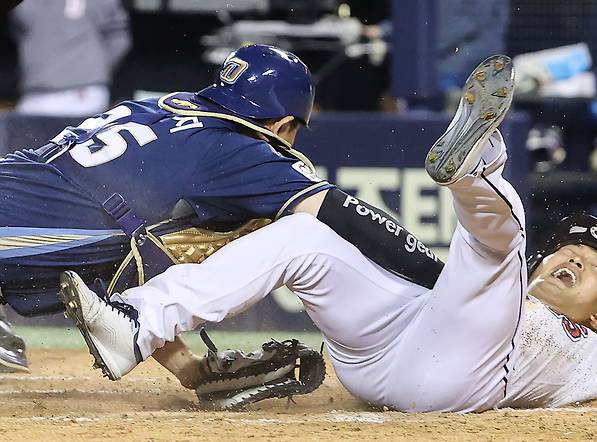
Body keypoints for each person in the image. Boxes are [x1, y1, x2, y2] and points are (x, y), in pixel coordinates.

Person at [62, 54, 597, 412]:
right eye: (568, 252)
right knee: (304, 239)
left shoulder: (594, 352)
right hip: (379, 355)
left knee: (505, 237)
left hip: (468, 373)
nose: (570, 261)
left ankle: (476, 166)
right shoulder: (506, 291)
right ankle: (139, 322)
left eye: (591, 266)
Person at [0, 44, 442, 378]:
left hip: (14, 193)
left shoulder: (162, 107)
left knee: (140, 235)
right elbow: (342, 214)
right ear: (285, 124)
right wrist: (445, 280)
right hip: (14, 225)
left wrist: (191, 370)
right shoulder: (239, 149)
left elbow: (127, 247)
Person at [10, 0, 132, 117]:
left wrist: (94, 71)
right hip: (34, 93)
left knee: (79, 137)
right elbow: (18, 31)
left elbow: (118, 37)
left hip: (82, 92)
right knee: (20, 134)